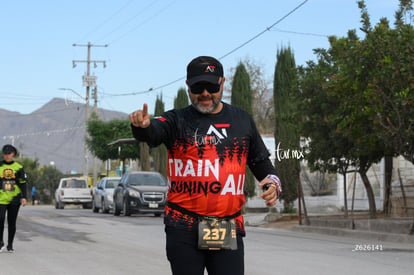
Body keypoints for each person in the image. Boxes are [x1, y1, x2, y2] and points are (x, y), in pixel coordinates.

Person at [129, 56, 281, 275]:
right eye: (198, 87)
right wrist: (141, 127)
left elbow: (260, 161)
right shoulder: (176, 120)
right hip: (183, 225)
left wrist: (272, 183)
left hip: (225, 225)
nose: (205, 94)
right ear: (188, 86)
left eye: (211, 86)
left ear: (222, 83)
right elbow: (153, 130)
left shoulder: (241, 120)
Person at [0, 144, 27, 253]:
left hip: (14, 199)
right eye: (5, 153)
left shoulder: (19, 167)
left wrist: (24, 197)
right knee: (0, 219)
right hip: (1, 198)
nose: (7, 156)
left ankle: (10, 244)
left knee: (12, 222)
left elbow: (23, 183)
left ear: (13, 154)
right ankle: (0, 242)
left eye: (9, 153)